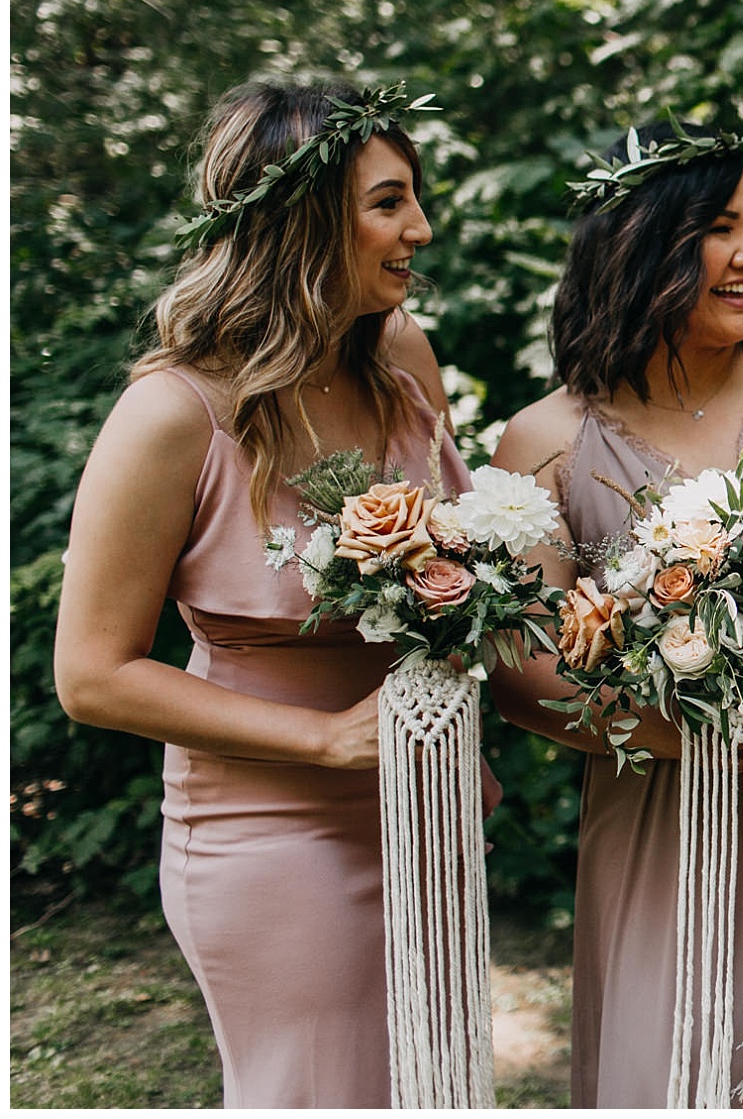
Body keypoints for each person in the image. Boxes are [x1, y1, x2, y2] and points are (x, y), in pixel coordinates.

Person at [53, 79, 464, 1107]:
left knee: (430, 1084)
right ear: (300, 215)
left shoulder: (401, 359)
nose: (419, 226)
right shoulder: (173, 413)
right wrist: (327, 742)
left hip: (421, 802)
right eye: (387, 201)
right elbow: (92, 674)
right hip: (270, 829)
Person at [489, 121, 743, 1108]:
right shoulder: (545, 438)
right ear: (641, 242)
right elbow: (523, 666)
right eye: (719, 227)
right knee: (660, 1057)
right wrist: (680, 733)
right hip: (660, 790)